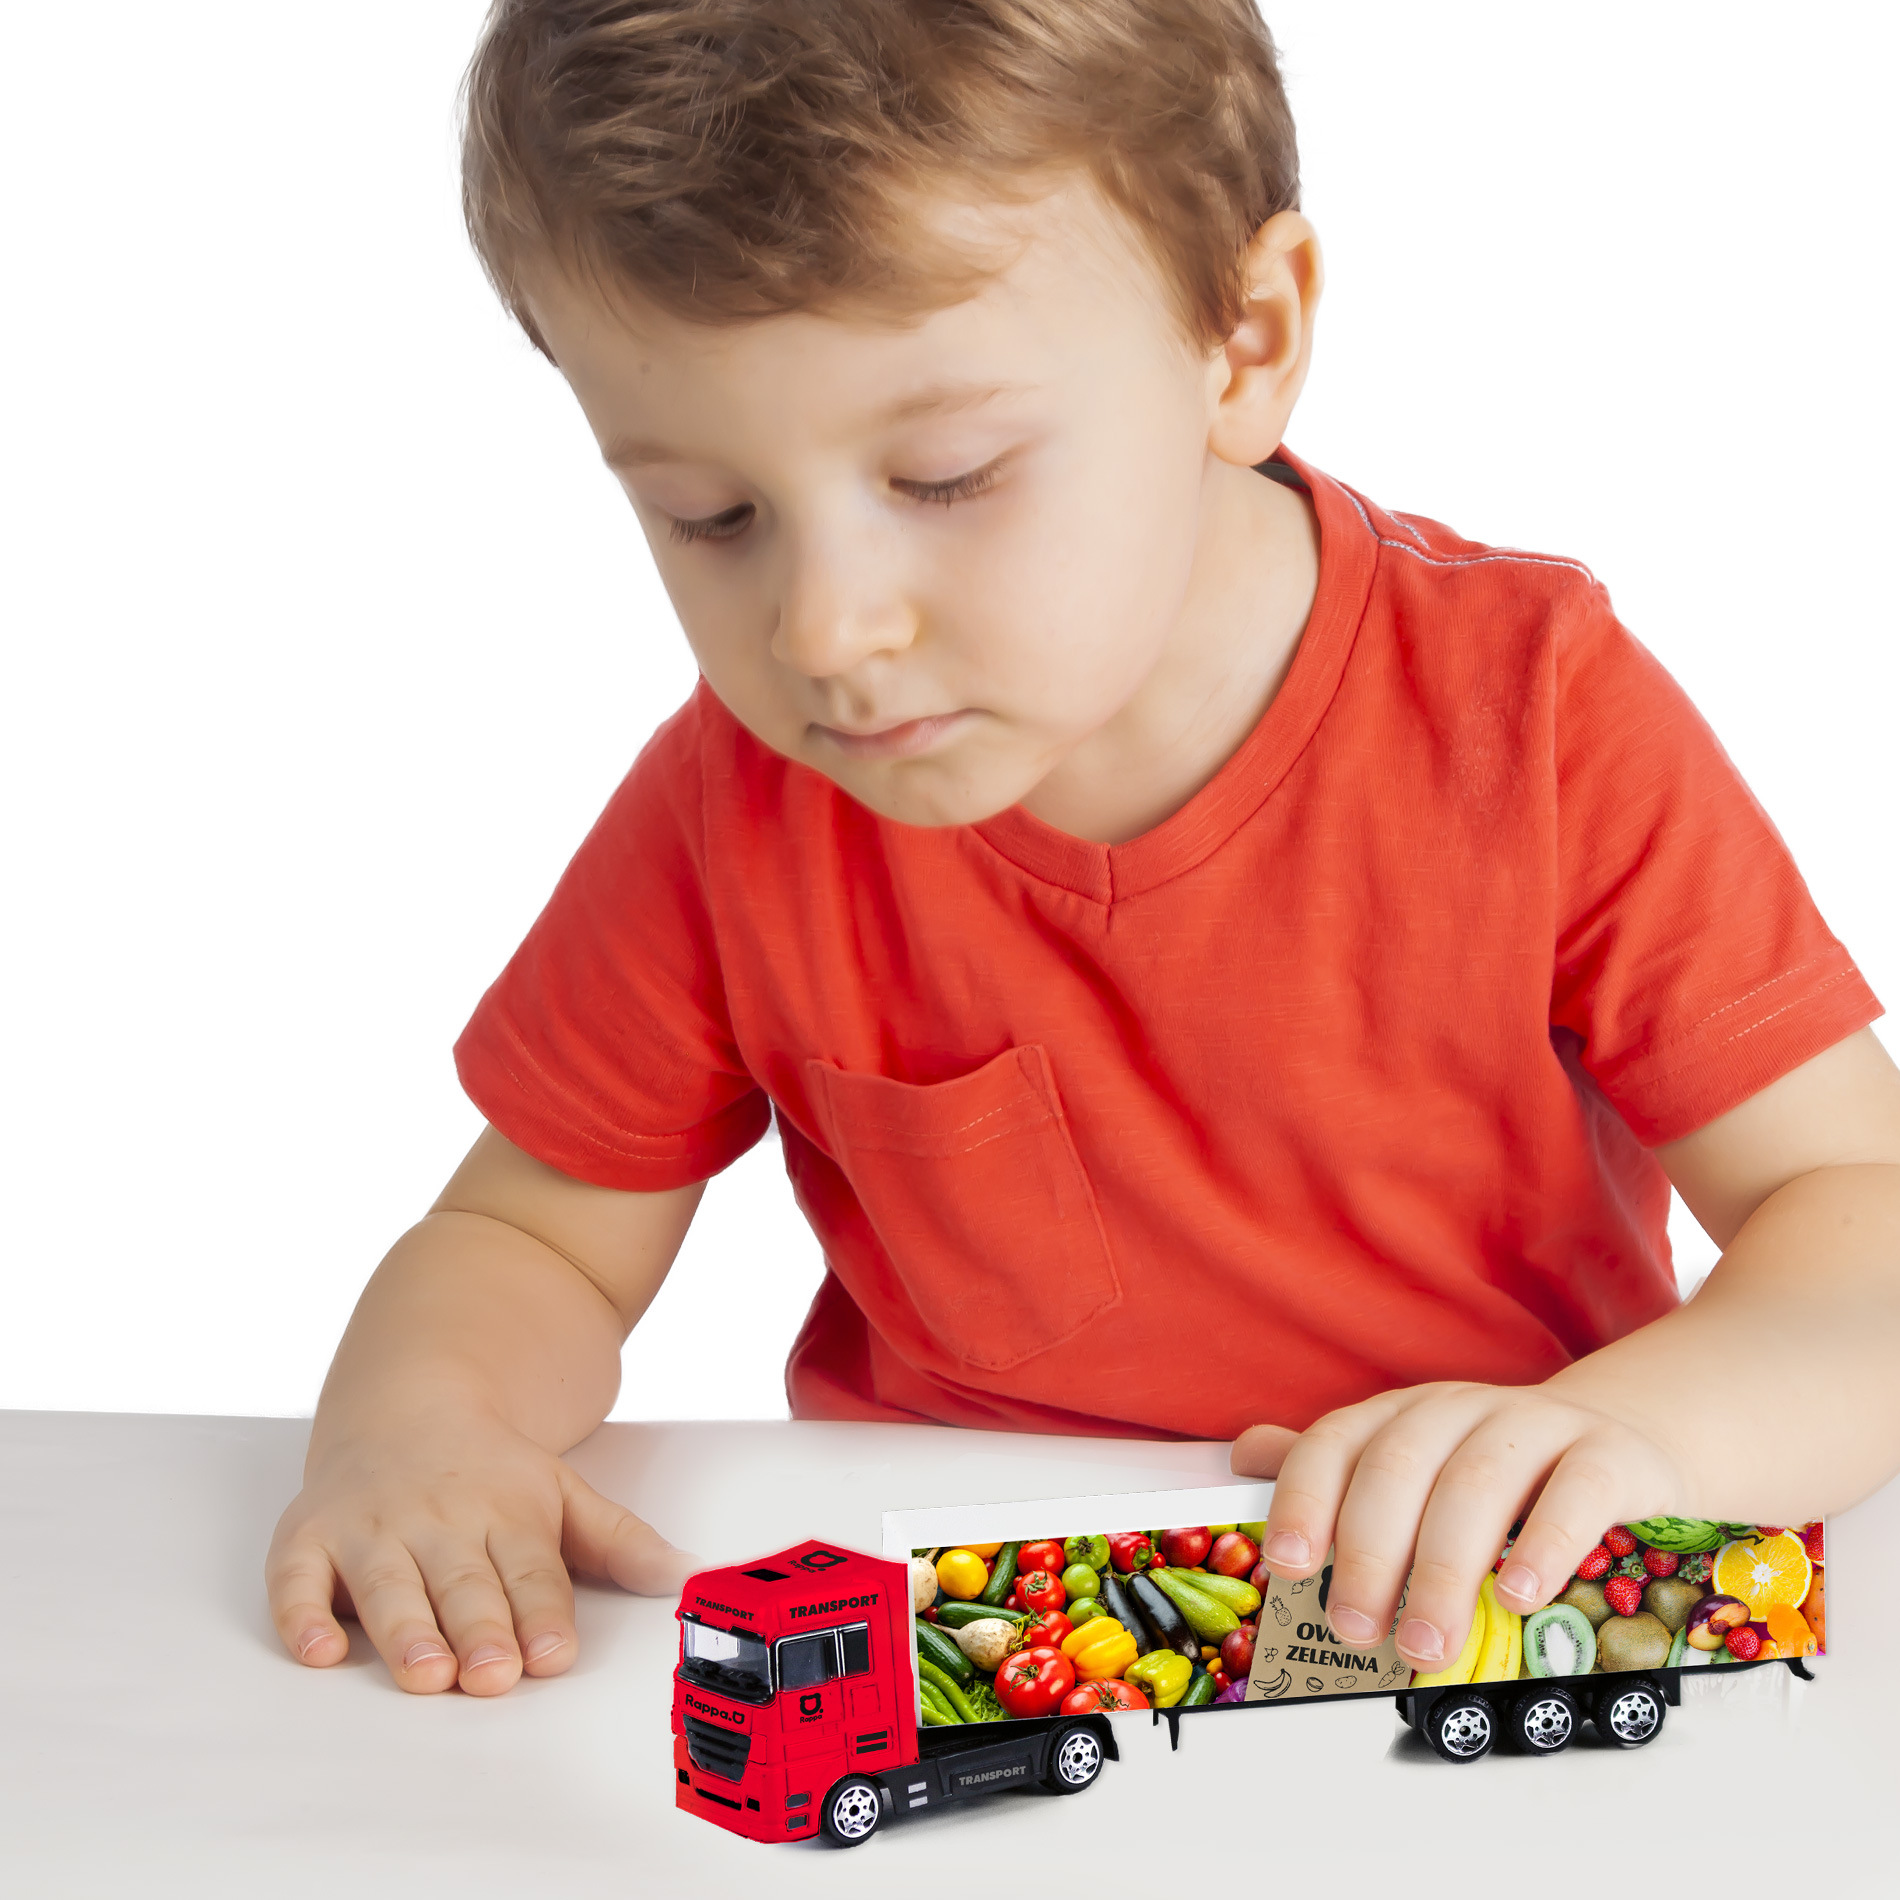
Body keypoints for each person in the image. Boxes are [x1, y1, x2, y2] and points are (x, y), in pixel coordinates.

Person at [267, 0, 1900, 1697]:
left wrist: (1639, 1438)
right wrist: (423, 1426)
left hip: (1465, 1635)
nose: (825, 629)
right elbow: (535, 1239)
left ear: (1243, 341)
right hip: (968, 1654)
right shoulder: (735, 799)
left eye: (947, 476)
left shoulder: (1529, 714)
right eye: (711, 515)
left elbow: (1859, 1214)